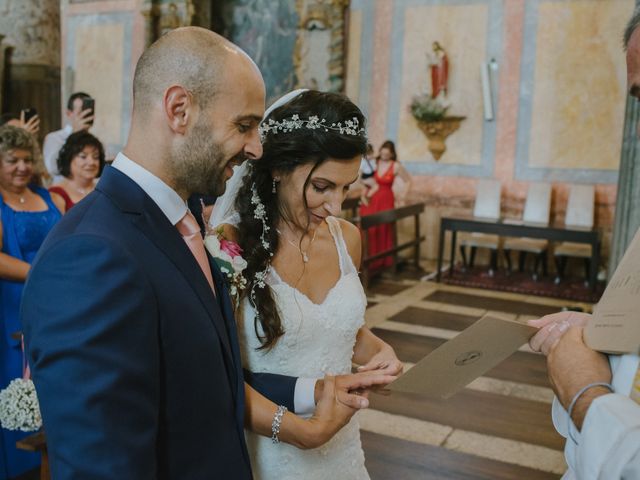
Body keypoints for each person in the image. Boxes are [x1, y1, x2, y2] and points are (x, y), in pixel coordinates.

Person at [21, 28, 391, 479]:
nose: (257, 147)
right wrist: (293, 429)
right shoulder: (90, 254)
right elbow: (101, 464)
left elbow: (208, 378)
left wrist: (315, 391)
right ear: (179, 110)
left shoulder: (187, 221)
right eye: (243, 125)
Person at [211, 89, 402, 479]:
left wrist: (378, 351)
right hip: (272, 451)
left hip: (343, 452)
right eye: (322, 187)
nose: (336, 206)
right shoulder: (228, 247)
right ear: (279, 168)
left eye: (346, 188)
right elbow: (217, 375)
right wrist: (297, 431)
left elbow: (338, 327)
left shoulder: (346, 238)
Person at [0, 125, 64, 479]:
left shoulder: (47, 196)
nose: (22, 167)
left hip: (55, 306)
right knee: (17, 383)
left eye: (27, 159)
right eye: (13, 160)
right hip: (13, 308)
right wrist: (38, 272)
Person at [359, 140, 412, 270]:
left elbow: (408, 181)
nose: (384, 156)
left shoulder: (396, 166)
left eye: (387, 155)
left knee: (384, 227)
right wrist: (364, 192)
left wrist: (402, 197)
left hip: (386, 199)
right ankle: (364, 261)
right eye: (382, 154)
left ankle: (381, 261)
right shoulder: (374, 163)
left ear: (392, 154)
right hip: (371, 199)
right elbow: (363, 177)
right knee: (368, 229)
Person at [48, 131, 105, 210]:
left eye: (95, 157)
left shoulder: (104, 191)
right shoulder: (55, 193)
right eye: (83, 156)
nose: (91, 162)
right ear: (68, 159)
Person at [42, 92, 94, 178]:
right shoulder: (54, 138)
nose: (85, 117)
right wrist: (74, 136)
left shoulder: (95, 141)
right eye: (81, 113)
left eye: (88, 113)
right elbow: (52, 168)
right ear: (69, 114)